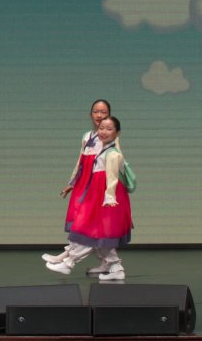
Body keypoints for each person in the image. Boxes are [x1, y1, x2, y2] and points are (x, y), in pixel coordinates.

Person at [44, 116, 133, 281]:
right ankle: (115, 267)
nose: (104, 132)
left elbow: (112, 179)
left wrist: (109, 197)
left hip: (108, 198)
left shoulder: (113, 154)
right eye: (102, 128)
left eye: (109, 129)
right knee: (100, 235)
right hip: (99, 194)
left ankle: (69, 262)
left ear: (117, 133)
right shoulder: (103, 150)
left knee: (93, 233)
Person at [42, 99, 111, 273]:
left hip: (100, 187)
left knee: (89, 226)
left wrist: (109, 191)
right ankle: (112, 265)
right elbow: (81, 162)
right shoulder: (87, 136)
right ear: (90, 114)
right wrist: (72, 183)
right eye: (96, 111)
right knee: (90, 226)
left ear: (109, 115)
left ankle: (69, 259)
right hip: (85, 185)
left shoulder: (109, 138)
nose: (99, 115)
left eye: (103, 112)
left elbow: (114, 164)